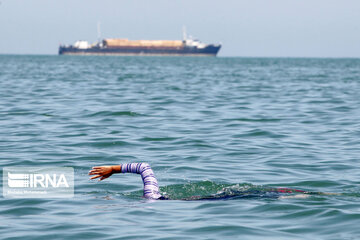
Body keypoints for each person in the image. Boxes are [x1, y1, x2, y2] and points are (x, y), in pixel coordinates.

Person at [89, 163, 310, 200]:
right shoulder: (152, 195)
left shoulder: (151, 198)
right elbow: (144, 167)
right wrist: (114, 169)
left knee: (263, 193)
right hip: (220, 197)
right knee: (265, 192)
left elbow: (145, 167)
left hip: (221, 199)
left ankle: (302, 194)